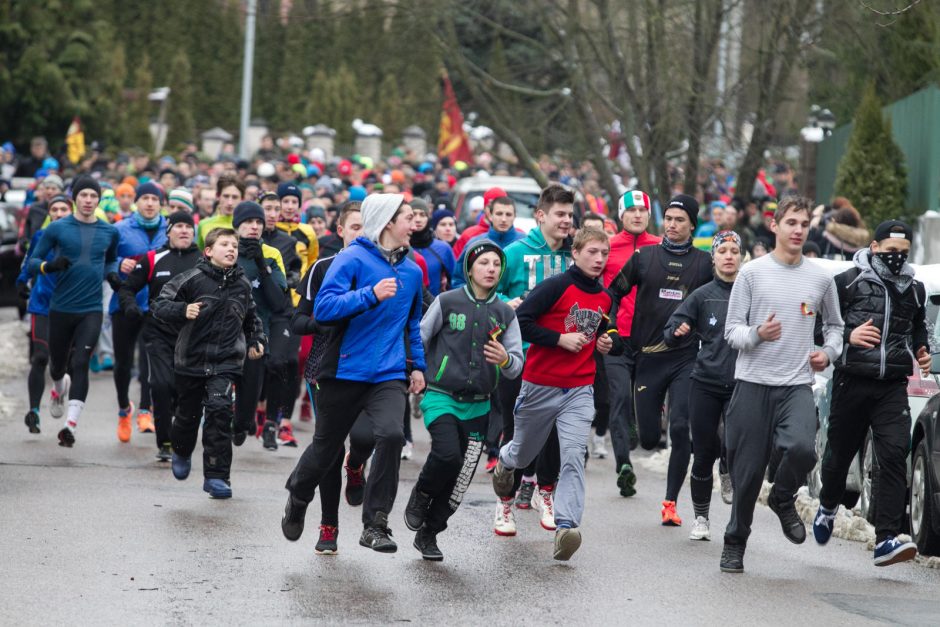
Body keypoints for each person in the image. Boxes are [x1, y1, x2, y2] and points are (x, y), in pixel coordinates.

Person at [281, 193, 426, 554]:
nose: (415, 223)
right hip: (343, 370)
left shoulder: (412, 270)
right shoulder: (350, 259)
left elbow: (412, 326)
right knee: (325, 450)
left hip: (388, 373)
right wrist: (369, 295)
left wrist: (418, 366)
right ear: (388, 222)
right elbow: (325, 309)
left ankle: (375, 523)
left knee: (392, 435)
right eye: (408, 217)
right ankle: (298, 496)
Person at [719, 195, 843, 574]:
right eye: (791, 223)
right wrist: (758, 333)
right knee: (747, 474)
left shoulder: (821, 278)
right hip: (752, 385)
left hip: (795, 386)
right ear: (775, 226)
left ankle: (783, 496)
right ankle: (735, 541)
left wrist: (829, 353)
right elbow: (731, 332)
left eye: (804, 224)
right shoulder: (752, 273)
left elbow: (836, 327)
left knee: (804, 450)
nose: (798, 230)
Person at [492, 227, 621, 561]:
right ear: (575, 253)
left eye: (604, 254)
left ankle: (567, 527)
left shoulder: (605, 296)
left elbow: (604, 329)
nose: (599, 259)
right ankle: (505, 462)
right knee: (523, 454)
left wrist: (606, 342)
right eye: (592, 252)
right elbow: (521, 319)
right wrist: (558, 339)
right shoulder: (555, 286)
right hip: (539, 385)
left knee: (574, 455)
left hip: (579, 388)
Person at [814, 220, 928, 567]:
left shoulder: (915, 289)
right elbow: (821, 326)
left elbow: (918, 327)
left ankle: (886, 538)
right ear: (874, 247)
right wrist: (848, 335)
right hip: (852, 381)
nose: (897, 259)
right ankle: (828, 504)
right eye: (891, 252)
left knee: (894, 454)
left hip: (892, 384)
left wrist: (921, 349)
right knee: (838, 456)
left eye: (903, 253)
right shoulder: (847, 282)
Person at [405, 239, 524, 560]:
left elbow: (516, 366)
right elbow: (420, 337)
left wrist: (503, 359)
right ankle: (422, 493)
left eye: (497, 265)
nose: (491, 269)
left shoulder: (504, 313)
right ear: (469, 269)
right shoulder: (447, 301)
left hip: (480, 404)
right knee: (447, 456)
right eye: (484, 263)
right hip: (441, 396)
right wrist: (415, 371)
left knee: (460, 481)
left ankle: (430, 533)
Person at [608, 194, 713, 523]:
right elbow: (612, 294)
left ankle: (670, 503)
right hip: (648, 357)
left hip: (685, 358)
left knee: (681, 428)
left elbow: (719, 303)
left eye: (680, 219)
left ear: (692, 225)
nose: (671, 224)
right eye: (668, 218)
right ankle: (647, 420)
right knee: (650, 440)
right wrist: (609, 329)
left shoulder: (704, 263)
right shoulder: (644, 257)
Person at [151, 228, 266, 499]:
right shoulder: (191, 279)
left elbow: (252, 319)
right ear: (208, 251)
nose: (231, 249)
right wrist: (182, 310)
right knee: (187, 416)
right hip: (191, 359)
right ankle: (181, 450)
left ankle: (216, 476)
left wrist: (256, 341)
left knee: (219, 412)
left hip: (225, 362)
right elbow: (159, 305)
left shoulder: (243, 283)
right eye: (224, 244)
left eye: (235, 246)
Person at [290, 201, 376, 555]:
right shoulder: (322, 268)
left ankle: (356, 466)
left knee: (366, 436)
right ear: (340, 230)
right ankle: (329, 525)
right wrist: (323, 323)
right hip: (326, 368)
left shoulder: (386, 268)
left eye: (366, 227)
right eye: (355, 226)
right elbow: (298, 321)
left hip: (371, 368)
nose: (361, 233)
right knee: (329, 446)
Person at [490, 183, 574, 536]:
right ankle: (504, 504)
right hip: (517, 356)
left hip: (558, 356)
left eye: (571, 215)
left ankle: (546, 492)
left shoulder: (573, 256)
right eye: (560, 214)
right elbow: (485, 289)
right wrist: (503, 303)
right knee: (516, 430)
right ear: (541, 216)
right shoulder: (513, 252)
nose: (567, 221)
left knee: (554, 429)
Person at [662, 230, 744, 540]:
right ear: (713, 257)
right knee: (703, 450)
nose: (728, 256)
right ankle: (701, 518)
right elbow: (670, 328)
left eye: (734, 251)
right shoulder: (702, 294)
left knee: (736, 444)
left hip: (741, 382)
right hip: (706, 382)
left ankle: (728, 469)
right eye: (722, 250)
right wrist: (677, 330)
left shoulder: (751, 294)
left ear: (741, 257)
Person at [27, 175, 120, 447]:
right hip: (61, 308)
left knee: (80, 363)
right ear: (74, 199)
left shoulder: (109, 232)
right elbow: (33, 261)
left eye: (93, 196)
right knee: (57, 366)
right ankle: (58, 388)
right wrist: (49, 266)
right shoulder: (57, 229)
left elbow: (111, 260)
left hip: (91, 308)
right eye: (84, 196)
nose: (89, 201)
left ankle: (70, 425)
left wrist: (112, 275)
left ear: (98, 200)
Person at [117, 212, 201, 460]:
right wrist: (131, 307)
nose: (184, 231)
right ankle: (165, 441)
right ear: (169, 231)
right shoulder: (153, 258)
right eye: (179, 227)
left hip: (192, 337)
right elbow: (127, 288)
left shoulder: (202, 261)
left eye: (189, 227)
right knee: (161, 385)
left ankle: (181, 436)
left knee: (184, 391)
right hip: (158, 333)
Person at [601, 190, 660, 497]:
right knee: (619, 398)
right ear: (621, 215)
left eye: (643, 210)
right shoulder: (608, 248)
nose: (638, 215)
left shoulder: (661, 248)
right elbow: (599, 292)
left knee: (643, 401)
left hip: (652, 339)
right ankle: (624, 465)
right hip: (617, 337)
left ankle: (637, 422)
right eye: (632, 210)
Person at [230, 201, 290, 450]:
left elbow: (278, 302)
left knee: (249, 395)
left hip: (256, 334)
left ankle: (243, 421)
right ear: (237, 226)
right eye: (248, 222)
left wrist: (261, 264)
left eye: (258, 222)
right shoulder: (227, 249)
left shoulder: (272, 254)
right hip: (225, 333)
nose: (254, 227)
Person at [110, 181, 168, 443]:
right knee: (123, 363)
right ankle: (124, 409)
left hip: (156, 304)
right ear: (136, 201)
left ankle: (146, 409)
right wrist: (120, 263)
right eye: (144, 198)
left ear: (160, 203)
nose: (149, 203)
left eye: (154, 199)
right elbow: (104, 260)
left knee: (150, 360)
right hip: (124, 303)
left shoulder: (169, 229)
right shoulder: (120, 229)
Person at [17, 194, 72, 433]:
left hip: (70, 306)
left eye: (63, 210)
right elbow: (30, 261)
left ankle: (59, 389)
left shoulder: (78, 238)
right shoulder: (41, 236)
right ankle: (34, 412)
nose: (59, 214)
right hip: (41, 303)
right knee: (40, 356)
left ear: (71, 212)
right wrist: (22, 280)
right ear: (49, 213)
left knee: (61, 362)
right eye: (55, 210)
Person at [452, 195, 525, 288]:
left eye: (508, 214)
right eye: (499, 214)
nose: (503, 219)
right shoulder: (474, 243)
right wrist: (474, 299)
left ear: (515, 216)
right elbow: (458, 280)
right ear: (490, 216)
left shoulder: (525, 243)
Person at [410, 198, 456, 296]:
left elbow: (457, 281)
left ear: (428, 217)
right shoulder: (399, 248)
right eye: (414, 214)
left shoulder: (443, 248)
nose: (418, 219)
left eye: (422, 215)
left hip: (435, 307)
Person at [453, 187, 509, 257]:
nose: (495, 210)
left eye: (500, 207)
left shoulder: (519, 237)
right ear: (484, 208)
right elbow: (458, 265)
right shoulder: (469, 235)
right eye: (491, 206)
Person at [196, 176, 243, 248]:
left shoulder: (246, 226)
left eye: (235, 197)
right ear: (218, 196)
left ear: (242, 199)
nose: (230, 202)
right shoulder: (204, 224)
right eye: (226, 196)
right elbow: (200, 254)